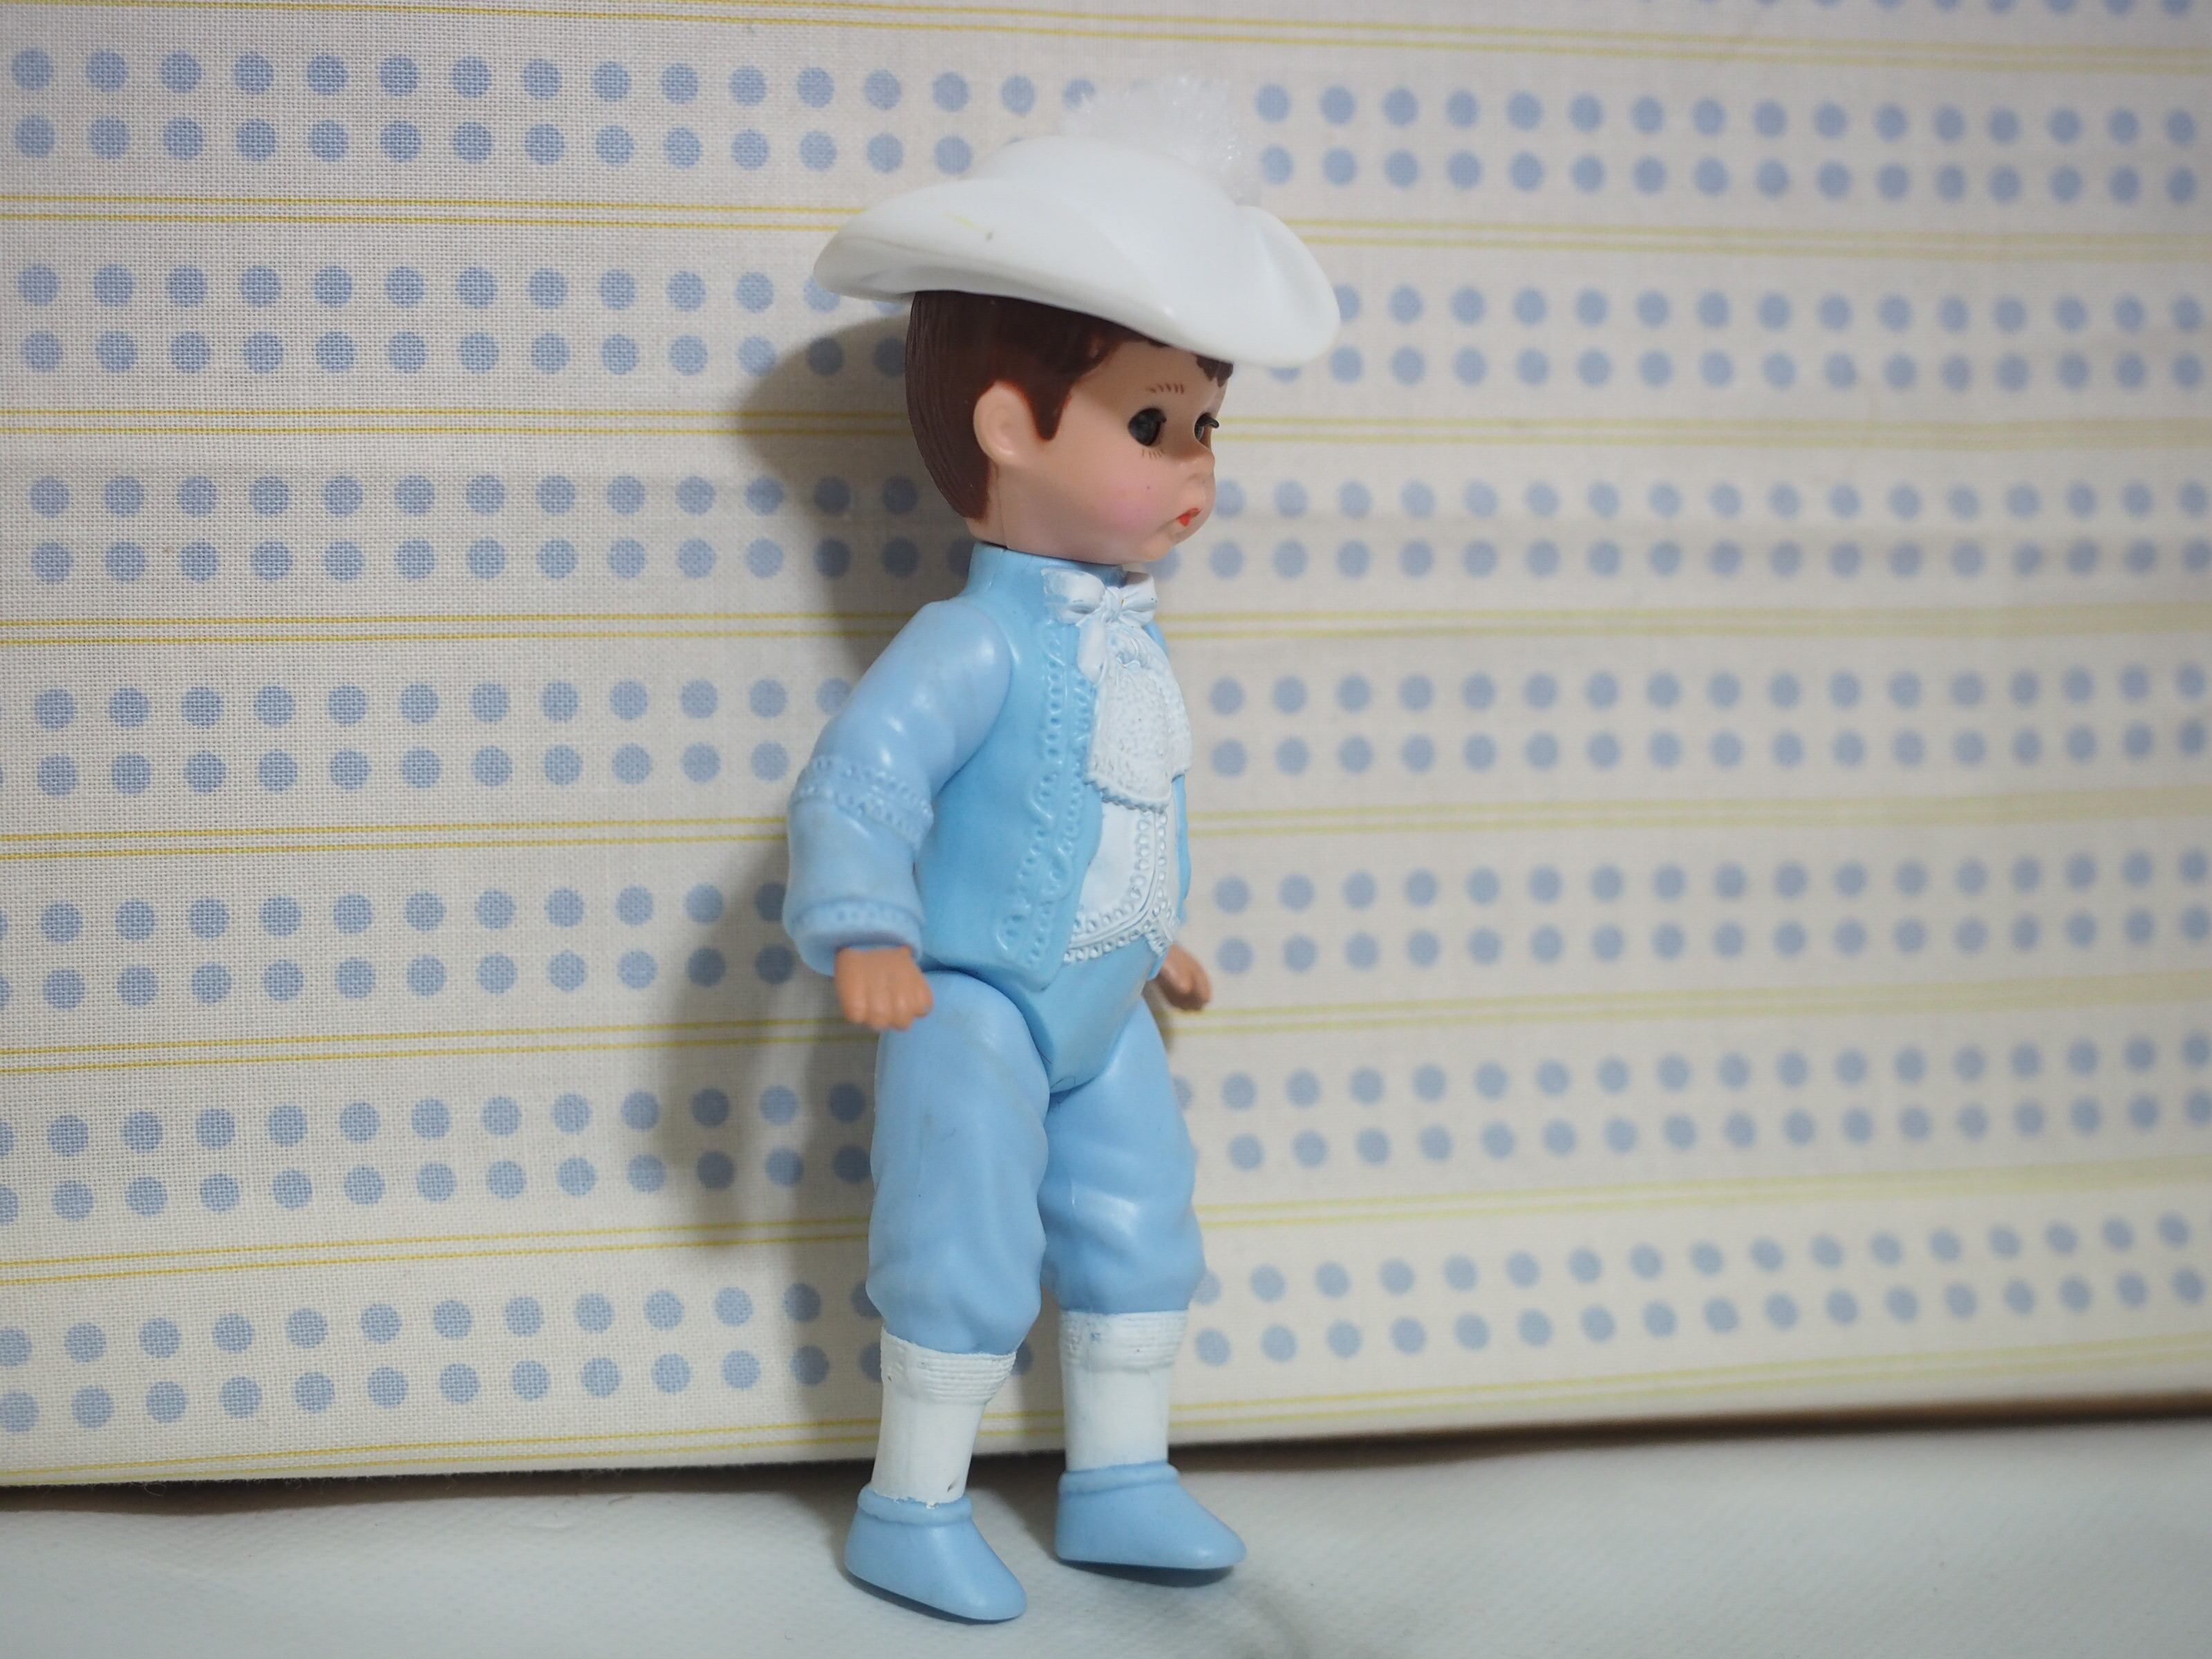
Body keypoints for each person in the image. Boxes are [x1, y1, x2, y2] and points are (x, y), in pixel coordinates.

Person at [784, 84, 1337, 1621]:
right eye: (1153, 425)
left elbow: (1118, 802)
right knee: (958, 1232)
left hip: (1103, 1002)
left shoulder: (1127, 640)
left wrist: (1149, 926)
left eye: (1206, 425)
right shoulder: (969, 643)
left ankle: (1119, 1475)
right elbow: (863, 781)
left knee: (1140, 1220)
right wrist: (866, 928)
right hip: (972, 999)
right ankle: (911, 1502)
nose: (1196, 466)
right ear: (1009, 426)